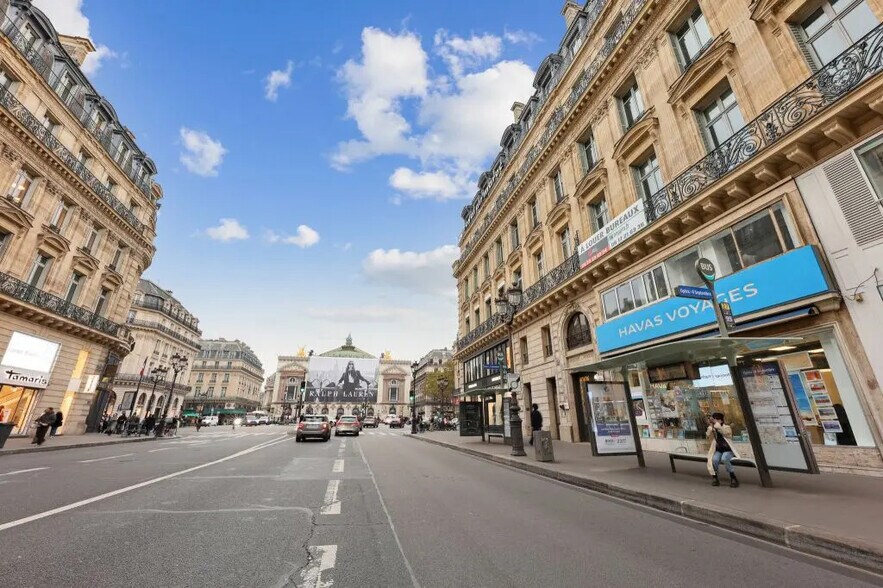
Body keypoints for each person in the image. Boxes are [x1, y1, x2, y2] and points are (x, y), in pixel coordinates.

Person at [706, 412, 740, 487]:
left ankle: (733, 477)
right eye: (715, 420)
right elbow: (708, 435)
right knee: (713, 460)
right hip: (718, 450)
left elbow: (726, 433)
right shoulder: (713, 428)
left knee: (724, 459)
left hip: (728, 450)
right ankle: (715, 477)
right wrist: (710, 427)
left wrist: (717, 426)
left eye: (717, 420)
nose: (716, 421)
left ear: (721, 420)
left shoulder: (726, 427)